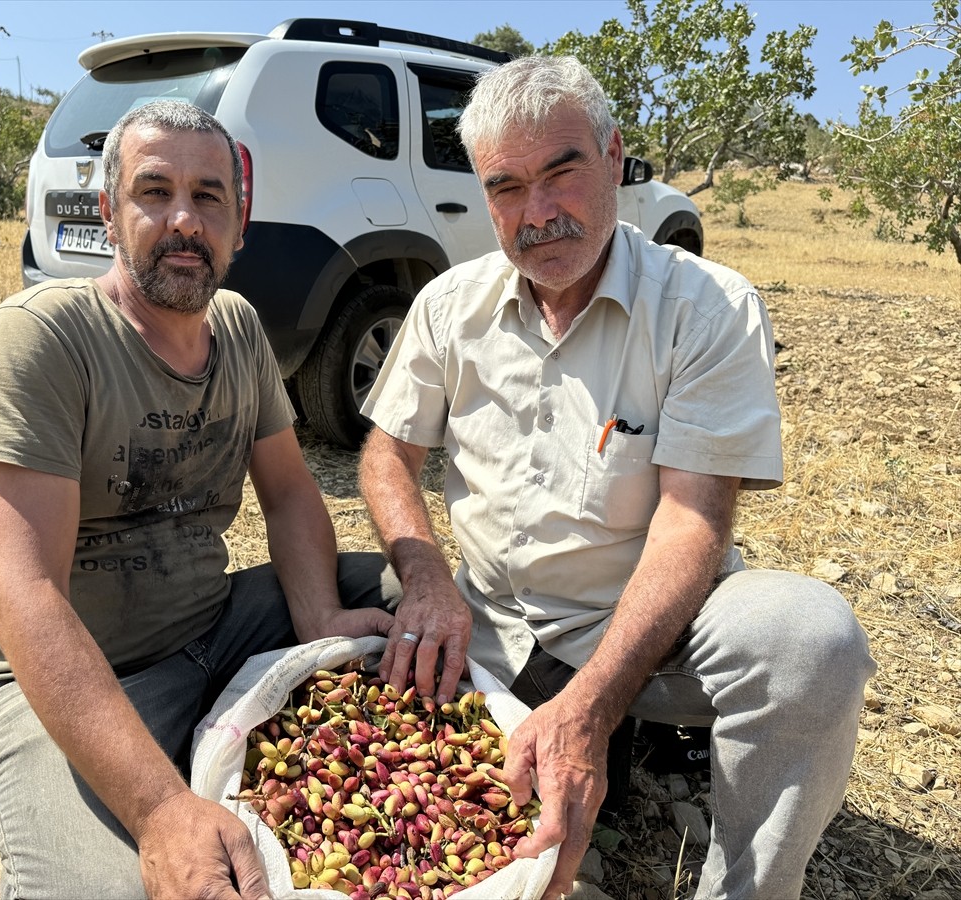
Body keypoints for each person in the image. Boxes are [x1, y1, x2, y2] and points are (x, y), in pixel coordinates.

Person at [358, 56, 876, 900]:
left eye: (561, 172)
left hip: (641, 635)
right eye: (507, 188)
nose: (539, 213)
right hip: (485, 623)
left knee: (810, 642)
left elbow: (692, 522)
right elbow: (386, 454)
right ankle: (565, 741)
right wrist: (423, 578)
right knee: (302, 601)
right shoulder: (450, 305)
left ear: (613, 157)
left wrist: (593, 708)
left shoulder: (706, 308)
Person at [0, 100, 397, 900]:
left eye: (210, 196)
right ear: (110, 215)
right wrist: (157, 809)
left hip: (211, 627)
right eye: (155, 192)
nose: (185, 219)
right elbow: (24, 594)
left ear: (240, 225)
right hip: (51, 674)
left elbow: (290, 496)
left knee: (403, 591)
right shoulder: (36, 342)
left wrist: (320, 618)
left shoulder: (240, 329)